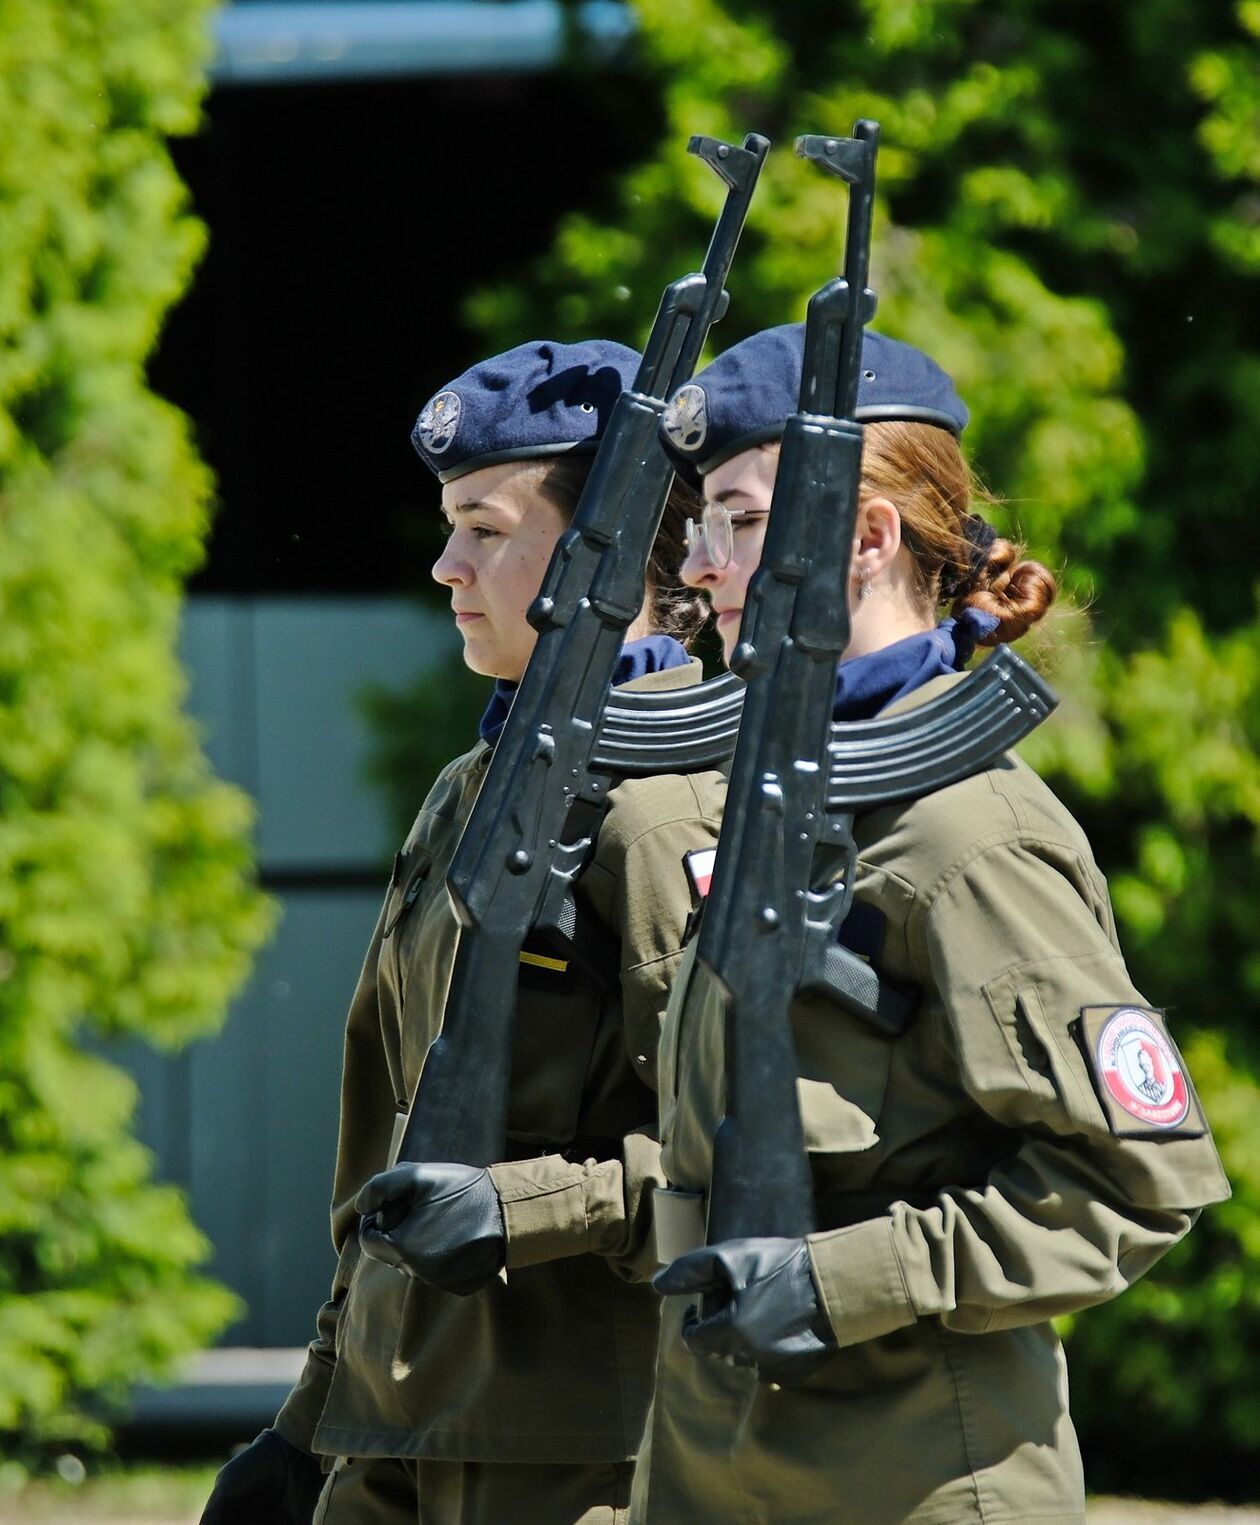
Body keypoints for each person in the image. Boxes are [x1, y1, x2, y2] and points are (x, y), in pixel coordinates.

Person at [626, 323, 1231, 1524]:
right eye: (704, 525)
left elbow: (1136, 1180)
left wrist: (838, 1277)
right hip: (716, 1461)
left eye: (740, 522)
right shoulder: (777, 805)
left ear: (864, 537)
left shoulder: (968, 836)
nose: (699, 567)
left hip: (910, 1478)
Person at [200, 340, 723, 1525]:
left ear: (608, 541)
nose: (445, 565)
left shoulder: (660, 815)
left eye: (485, 527)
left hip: (578, 1463)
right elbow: (391, 1150)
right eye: (449, 525)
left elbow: (742, 1169)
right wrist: (308, 1425)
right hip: (397, 1440)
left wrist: (518, 1209)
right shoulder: (471, 788)